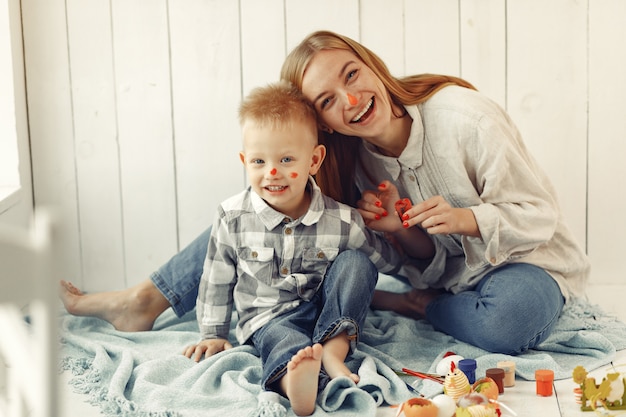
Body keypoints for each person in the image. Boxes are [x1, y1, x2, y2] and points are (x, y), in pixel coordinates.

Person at [61, 30, 590, 356]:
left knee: (508, 320)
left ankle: (417, 307)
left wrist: (469, 218)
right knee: (262, 205)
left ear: (371, 63)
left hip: (528, 263)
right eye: (329, 100)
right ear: (324, 127)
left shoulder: (465, 120)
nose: (353, 99)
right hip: (449, 275)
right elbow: (428, 255)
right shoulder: (349, 161)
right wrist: (399, 234)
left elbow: (539, 215)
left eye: (353, 74)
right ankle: (143, 300)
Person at [191, 81, 434, 415]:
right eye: (259, 161)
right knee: (285, 342)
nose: (272, 172)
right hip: (268, 318)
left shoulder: (342, 220)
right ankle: (295, 385)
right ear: (244, 160)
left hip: (326, 313)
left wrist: (410, 253)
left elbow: (385, 261)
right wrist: (212, 333)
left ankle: (334, 352)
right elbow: (216, 278)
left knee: (357, 264)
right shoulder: (234, 217)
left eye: (286, 159)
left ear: (315, 160)